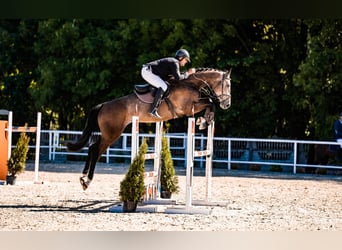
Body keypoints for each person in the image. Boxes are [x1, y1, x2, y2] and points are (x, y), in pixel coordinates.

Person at [141, 49, 195, 118]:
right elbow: (178, 78)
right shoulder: (175, 62)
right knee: (164, 86)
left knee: (165, 85)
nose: (186, 62)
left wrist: (185, 74)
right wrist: (188, 73)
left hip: (148, 71)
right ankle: (153, 109)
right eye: (186, 60)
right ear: (181, 58)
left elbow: (175, 76)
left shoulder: (173, 62)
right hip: (147, 71)